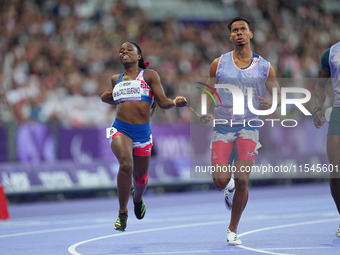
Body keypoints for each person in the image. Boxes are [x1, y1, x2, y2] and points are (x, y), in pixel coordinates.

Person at [201, 17, 281, 245]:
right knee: (219, 181)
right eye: (235, 30)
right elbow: (208, 89)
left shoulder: (264, 66)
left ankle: (232, 230)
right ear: (230, 36)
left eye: (243, 29)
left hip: (249, 127)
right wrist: (206, 110)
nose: (239, 33)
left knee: (243, 180)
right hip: (224, 127)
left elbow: (278, 94)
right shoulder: (219, 63)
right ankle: (228, 187)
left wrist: (271, 103)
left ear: (250, 34)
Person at [101, 41, 187, 232]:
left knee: (140, 179)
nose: (124, 52)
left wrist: (175, 102)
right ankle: (122, 213)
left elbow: (163, 102)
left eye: (129, 50)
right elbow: (112, 98)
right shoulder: (116, 79)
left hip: (142, 133)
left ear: (139, 56)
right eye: (121, 51)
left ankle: (137, 198)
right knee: (126, 165)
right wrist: (106, 96)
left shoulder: (149, 75)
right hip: (120, 129)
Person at [313, 41, 340, 238]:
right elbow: (320, 86)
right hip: (338, 112)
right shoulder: (330, 54)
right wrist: (317, 108)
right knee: (335, 172)